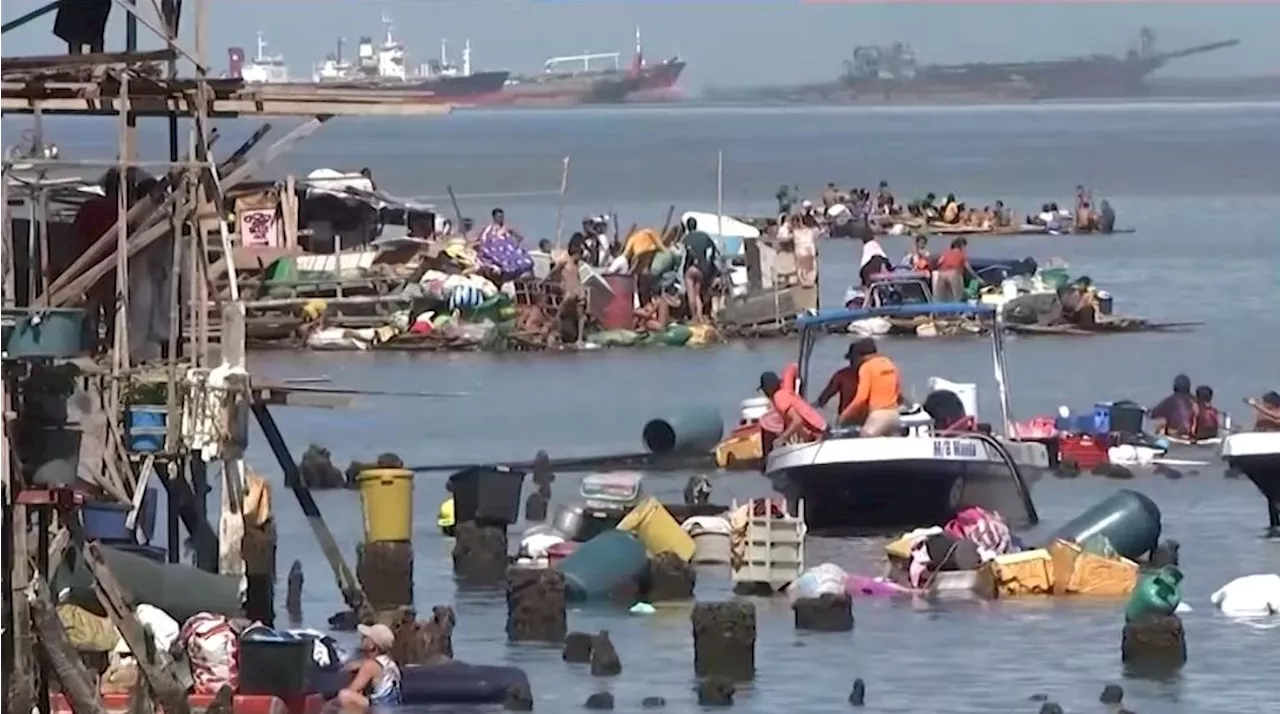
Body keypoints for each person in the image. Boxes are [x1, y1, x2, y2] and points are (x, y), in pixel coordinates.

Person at [838, 339, 902, 436]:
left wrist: (845, 415)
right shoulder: (890, 365)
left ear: (859, 356)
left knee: (864, 442)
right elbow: (898, 393)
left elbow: (861, 398)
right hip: (894, 416)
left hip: (878, 416)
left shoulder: (867, 367)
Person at [334, 623, 402, 712]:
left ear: (372, 646)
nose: (362, 639)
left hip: (379, 707)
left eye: (366, 637)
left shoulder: (370, 666)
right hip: (392, 707)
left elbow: (353, 689)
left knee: (344, 695)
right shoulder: (389, 662)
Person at [759, 370, 826, 446]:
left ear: (768, 388)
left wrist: (782, 438)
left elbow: (797, 421)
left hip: (819, 433)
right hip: (822, 431)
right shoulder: (785, 394)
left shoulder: (779, 397)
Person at [681, 217, 720, 324]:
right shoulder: (704, 235)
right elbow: (714, 249)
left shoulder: (686, 238)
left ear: (688, 226)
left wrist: (684, 270)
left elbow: (687, 256)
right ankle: (700, 317)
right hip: (702, 269)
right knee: (698, 294)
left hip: (692, 268)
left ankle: (694, 317)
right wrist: (709, 264)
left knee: (691, 293)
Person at [815, 343, 861, 415]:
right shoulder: (877, 374)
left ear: (850, 358)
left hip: (846, 418)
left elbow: (824, 398)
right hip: (871, 419)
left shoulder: (842, 375)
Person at [1149, 374, 1196, 438]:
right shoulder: (1195, 400)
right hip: (1194, 433)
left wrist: (1147, 411)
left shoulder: (1170, 401)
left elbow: (1152, 415)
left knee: (1159, 426)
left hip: (1177, 433)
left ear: (1174, 387)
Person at [933, 237, 973, 303]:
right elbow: (967, 267)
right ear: (961, 245)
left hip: (942, 273)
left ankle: (939, 312)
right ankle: (957, 312)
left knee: (941, 298)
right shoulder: (961, 253)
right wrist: (976, 277)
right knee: (957, 296)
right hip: (954, 273)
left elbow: (939, 262)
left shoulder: (946, 252)